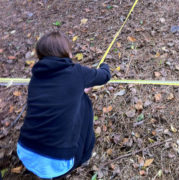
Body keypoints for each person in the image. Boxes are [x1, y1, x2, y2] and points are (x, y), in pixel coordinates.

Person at [17, 31, 111, 179]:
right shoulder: (77, 73)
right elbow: (105, 75)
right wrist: (105, 65)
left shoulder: (36, 78)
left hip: (25, 151)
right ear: (66, 52)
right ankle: (83, 155)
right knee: (84, 102)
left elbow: (60, 92)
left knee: (79, 97)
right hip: (58, 162)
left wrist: (79, 89)